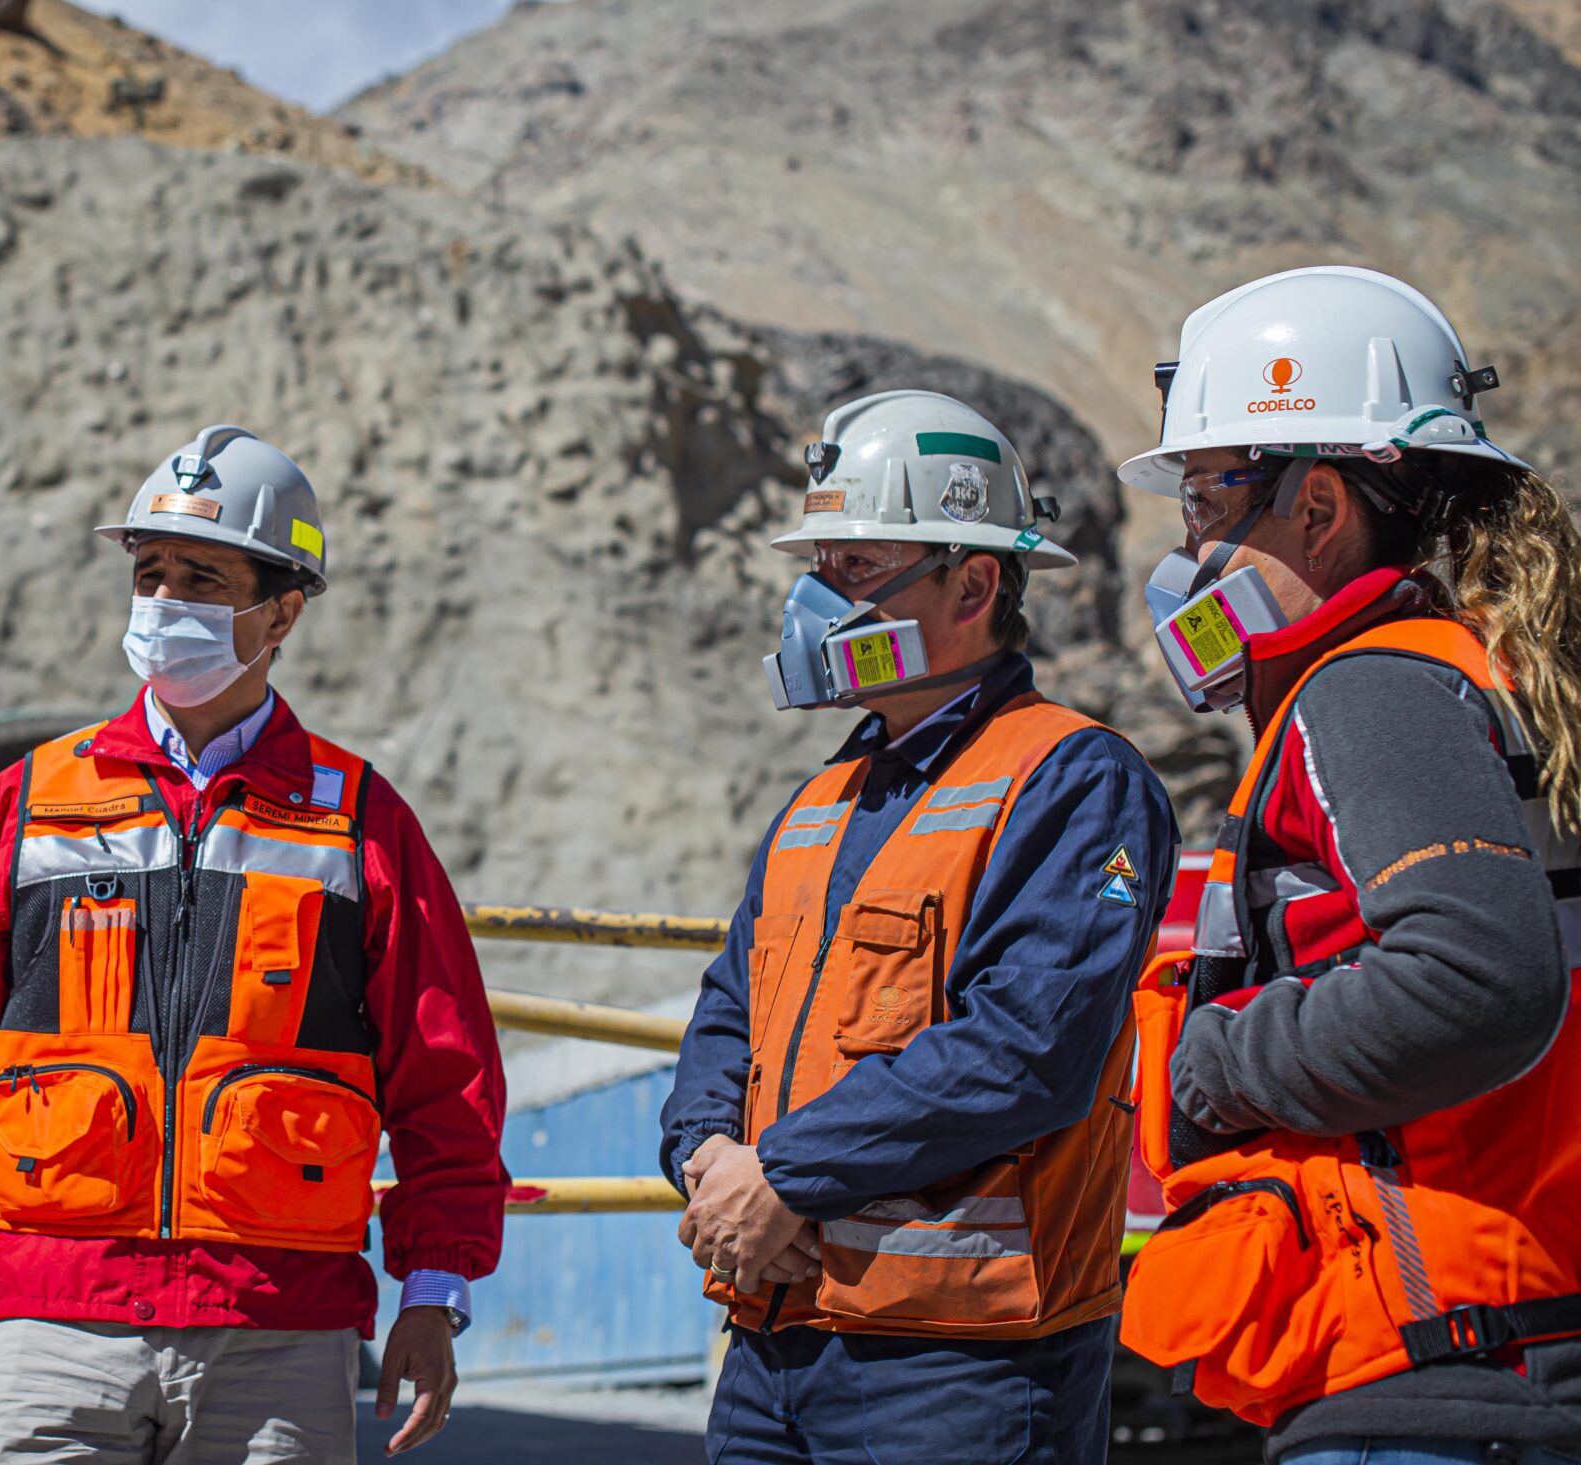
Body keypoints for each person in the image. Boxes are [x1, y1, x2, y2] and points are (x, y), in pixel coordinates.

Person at [0, 424, 508, 1463]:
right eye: (149, 573)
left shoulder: (359, 822)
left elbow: (444, 1078)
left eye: (200, 575)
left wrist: (436, 1290)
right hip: (46, 1323)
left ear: (281, 611)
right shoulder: (25, 805)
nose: (162, 601)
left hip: (276, 1332)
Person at [1117, 265, 1581, 1464]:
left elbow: (1473, 976)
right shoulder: (1482, 677)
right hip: (1502, 1347)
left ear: (1317, 506)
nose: (1185, 548)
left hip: (1430, 1372)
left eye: (1209, 497)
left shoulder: (1369, 692)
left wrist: (1203, 1063)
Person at [660, 390, 1178, 1464]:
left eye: (856, 566)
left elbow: (1026, 1049)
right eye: (819, 564)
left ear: (974, 581)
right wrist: (708, 1157)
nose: (817, 595)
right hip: (773, 1339)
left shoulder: (1073, 779)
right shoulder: (821, 799)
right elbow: (729, 1010)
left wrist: (785, 1174)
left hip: (964, 1367)